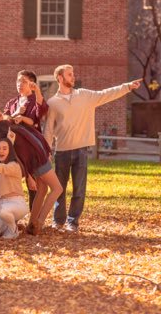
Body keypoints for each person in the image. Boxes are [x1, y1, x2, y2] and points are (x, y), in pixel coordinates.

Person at [44, 64, 142, 232]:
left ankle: (72, 222)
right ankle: (58, 221)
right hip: (61, 152)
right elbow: (48, 130)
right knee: (59, 188)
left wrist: (127, 87)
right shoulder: (52, 103)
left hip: (81, 150)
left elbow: (106, 94)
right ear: (60, 78)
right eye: (69, 74)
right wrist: (46, 152)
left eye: (73, 73)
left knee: (79, 189)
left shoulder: (85, 96)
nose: (73, 77)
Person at [0, 107, 62, 235]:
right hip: (36, 160)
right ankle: (39, 223)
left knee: (42, 189)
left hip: (38, 157)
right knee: (57, 188)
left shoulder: (6, 122)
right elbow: (17, 153)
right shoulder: (3, 130)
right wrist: (29, 175)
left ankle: (32, 223)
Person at [3, 70, 48, 209]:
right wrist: (17, 114)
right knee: (11, 181)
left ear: (31, 84)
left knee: (33, 183)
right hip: (14, 147)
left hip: (30, 146)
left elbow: (39, 113)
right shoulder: (12, 102)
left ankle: (33, 218)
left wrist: (37, 92)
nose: (20, 84)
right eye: (18, 81)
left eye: (24, 81)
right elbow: (4, 120)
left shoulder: (35, 100)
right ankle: (12, 216)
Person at [0, 139, 28, 239]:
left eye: (4, 148)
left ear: (10, 151)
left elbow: (5, 168)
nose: (1, 151)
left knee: (4, 211)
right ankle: (6, 225)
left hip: (16, 204)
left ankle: (13, 230)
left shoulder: (14, 165)